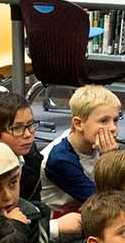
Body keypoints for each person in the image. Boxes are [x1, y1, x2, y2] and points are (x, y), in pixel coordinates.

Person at [0, 92, 65, 238]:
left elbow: (33, 196)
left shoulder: (21, 144)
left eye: (30, 124)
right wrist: (53, 228)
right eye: (17, 128)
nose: (28, 134)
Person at [40, 85, 119, 217]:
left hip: (88, 212)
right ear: (78, 124)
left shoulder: (99, 145)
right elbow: (106, 203)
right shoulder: (60, 159)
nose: (113, 128)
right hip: (62, 223)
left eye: (115, 120)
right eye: (104, 121)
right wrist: (110, 160)